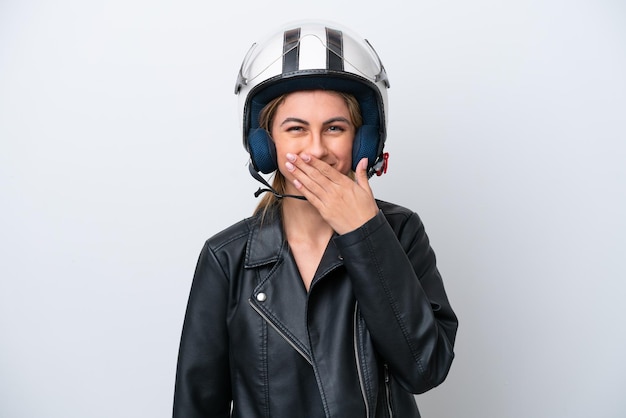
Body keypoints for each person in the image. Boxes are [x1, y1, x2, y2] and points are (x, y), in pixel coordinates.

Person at [173, 20, 458, 418]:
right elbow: (197, 406)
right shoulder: (226, 257)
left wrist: (365, 233)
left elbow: (426, 367)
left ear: (364, 140)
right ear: (266, 145)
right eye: (296, 129)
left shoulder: (401, 232)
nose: (316, 149)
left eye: (335, 128)